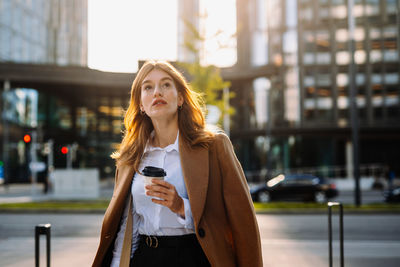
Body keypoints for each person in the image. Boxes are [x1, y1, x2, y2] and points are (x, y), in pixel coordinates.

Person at [92, 61, 262, 267]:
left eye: (165, 85)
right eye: (148, 87)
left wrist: (181, 206)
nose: (157, 92)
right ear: (140, 105)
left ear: (180, 98)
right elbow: (127, 227)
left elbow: (242, 223)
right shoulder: (130, 157)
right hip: (145, 258)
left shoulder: (214, 146)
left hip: (194, 257)